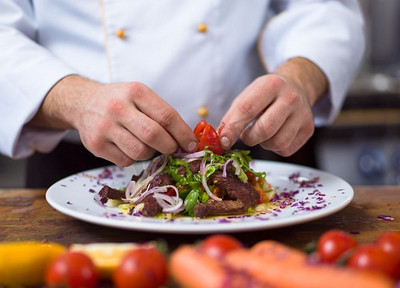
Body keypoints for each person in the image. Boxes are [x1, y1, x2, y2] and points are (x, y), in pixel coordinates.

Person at [0, 1, 365, 188]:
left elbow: (324, 6)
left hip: (248, 159)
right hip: (78, 169)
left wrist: (301, 77)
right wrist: (74, 99)